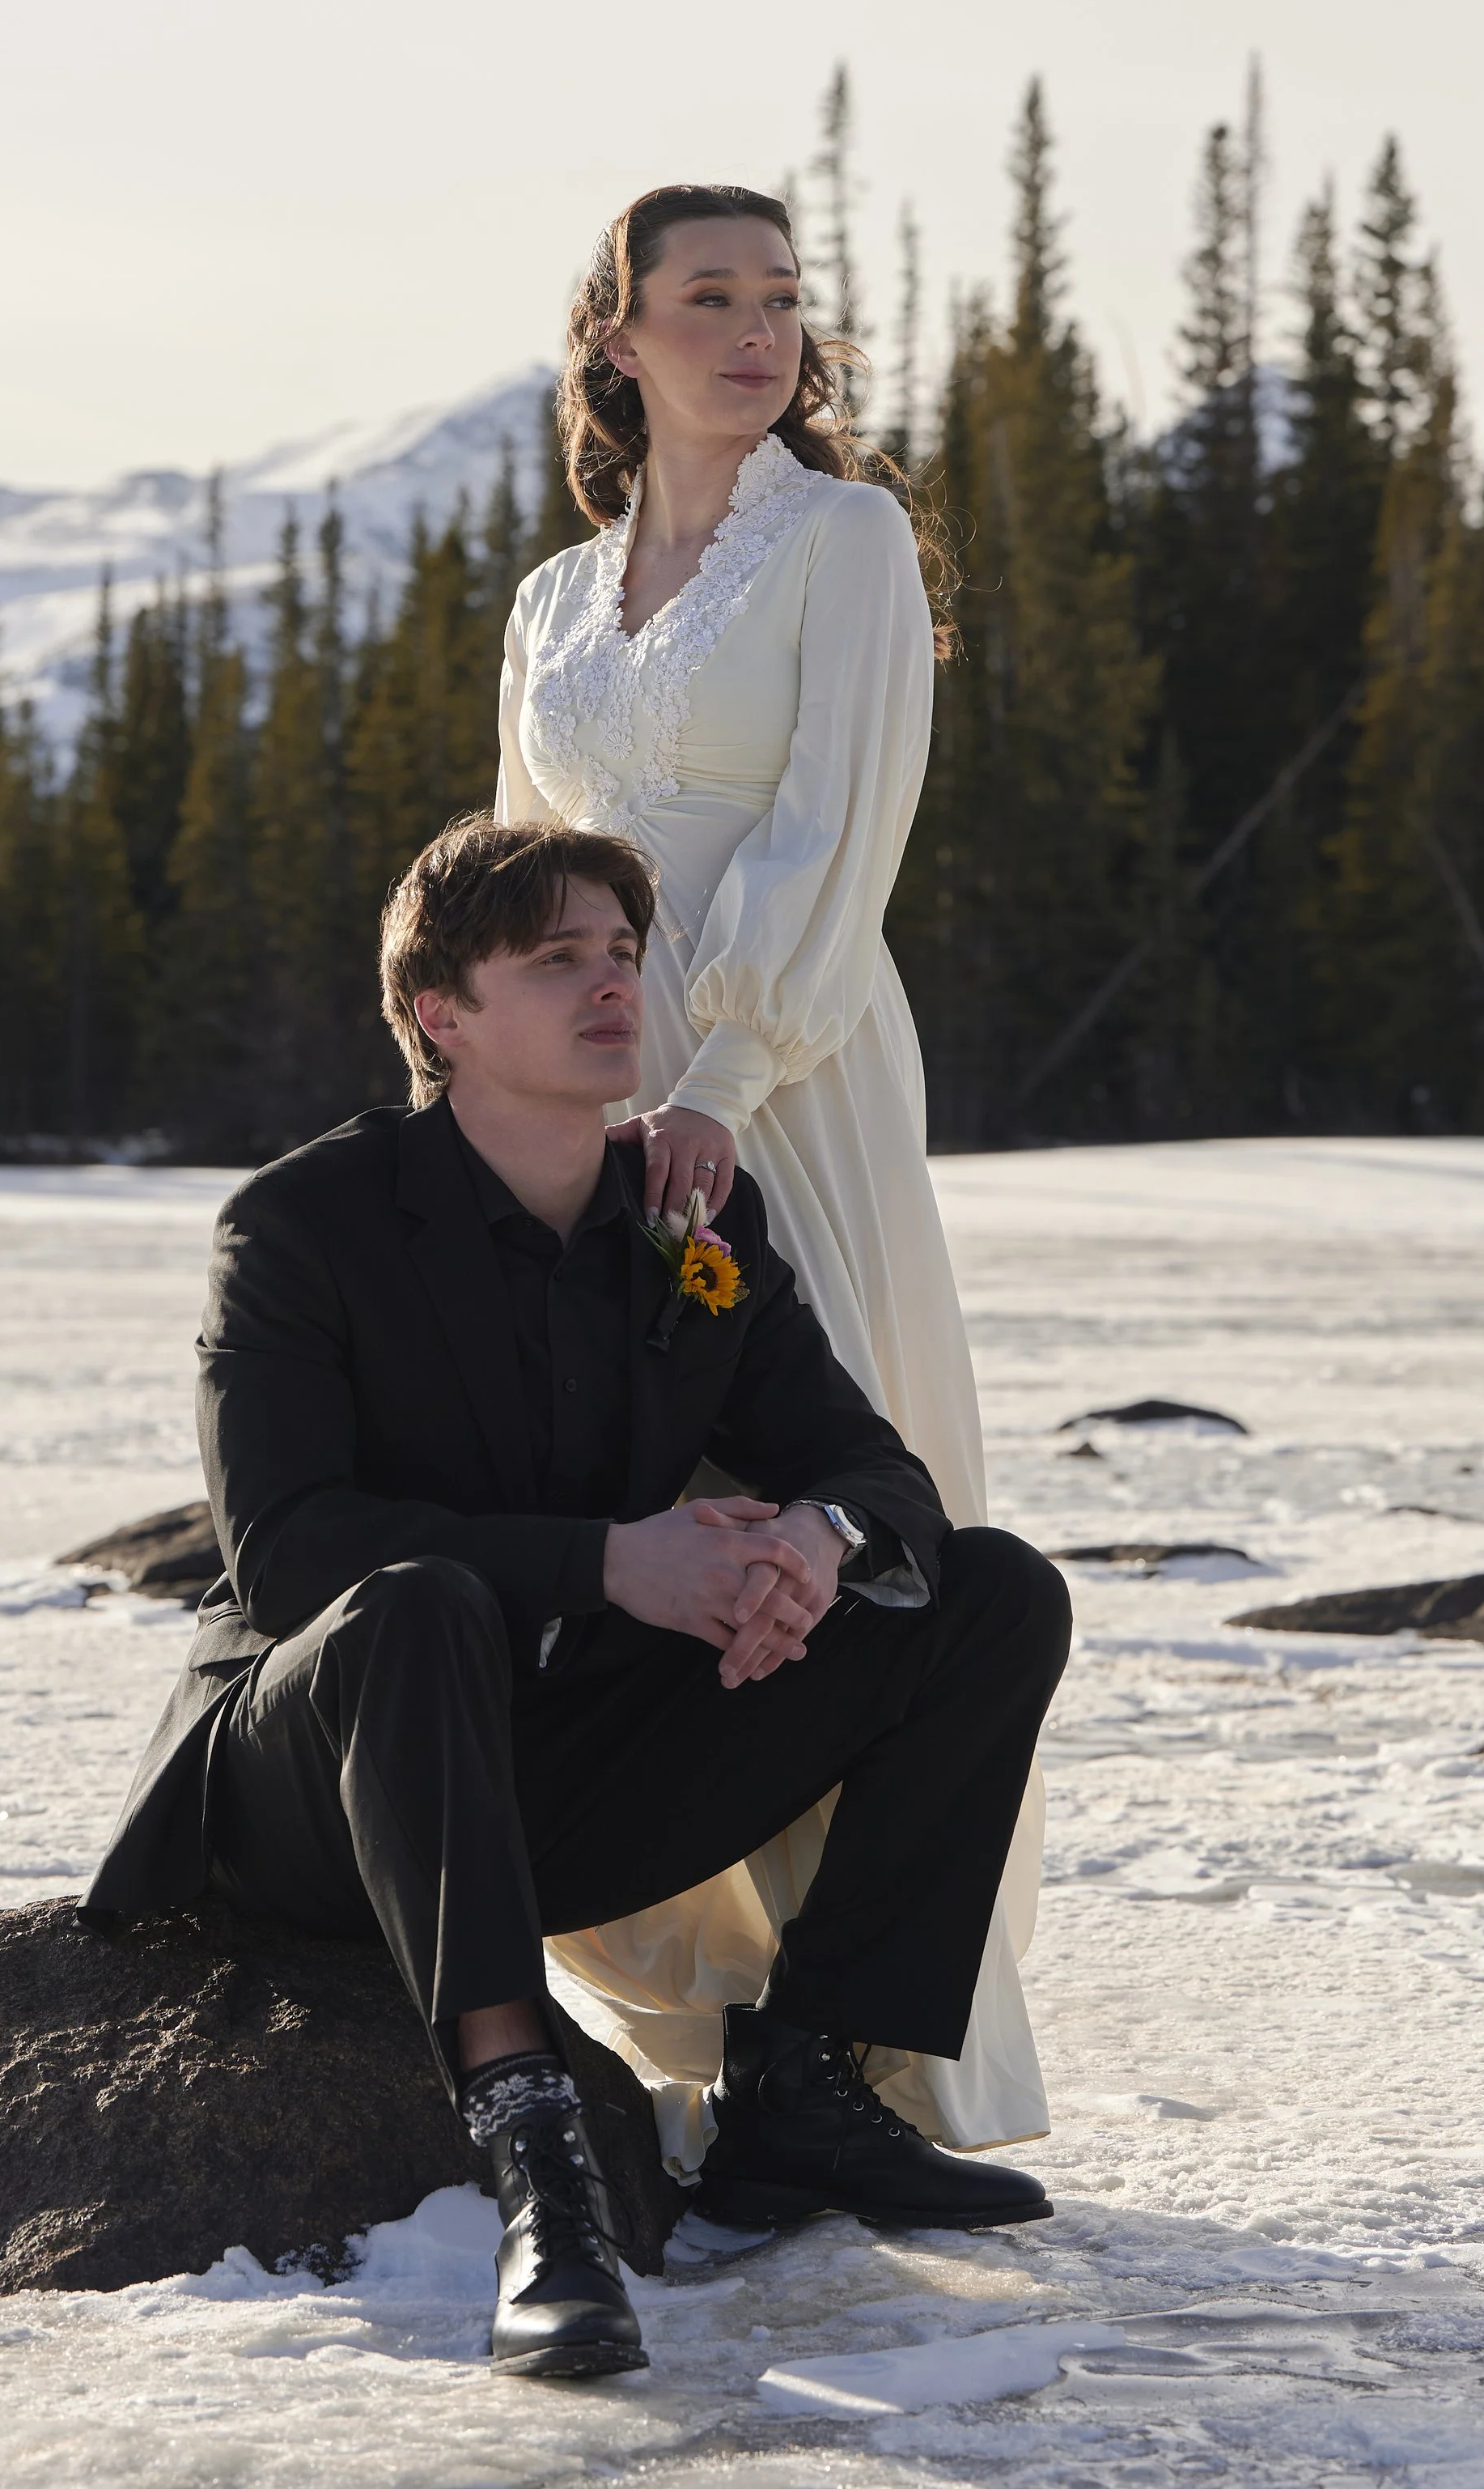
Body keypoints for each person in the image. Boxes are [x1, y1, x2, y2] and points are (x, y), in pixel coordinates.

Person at [85, 815, 1069, 2381]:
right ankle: (535, 2151)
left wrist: (813, 1538)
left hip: (568, 1776)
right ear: (441, 1014)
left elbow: (874, 1470)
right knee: (414, 1606)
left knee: (991, 1593)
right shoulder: (301, 1223)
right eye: (557, 960)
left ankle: (802, 2088)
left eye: (622, 952)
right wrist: (615, 1561)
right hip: (330, 1787)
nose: (615, 986)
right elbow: (286, 1551)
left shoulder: (692, 1221)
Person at [496, 182, 1046, 2160]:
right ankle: (704, 1995)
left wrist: (719, 1076)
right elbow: (505, 875)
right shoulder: (551, 603)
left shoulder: (844, 540)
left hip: (780, 1070)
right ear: (617, 338)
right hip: (589, 1095)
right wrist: (489, 1110)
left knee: (828, 1479)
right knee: (649, 1500)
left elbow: (839, 829)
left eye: (784, 300)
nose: (756, 333)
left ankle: (857, 2045)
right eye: (708, 297)